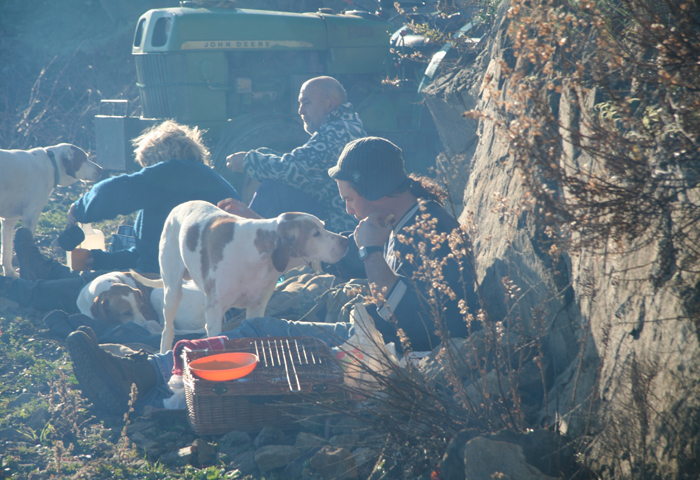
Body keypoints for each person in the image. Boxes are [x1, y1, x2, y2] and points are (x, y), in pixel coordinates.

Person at [66, 136, 479, 414]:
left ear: (374, 186)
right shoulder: (405, 218)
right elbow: (349, 266)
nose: (350, 210)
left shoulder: (427, 228)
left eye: (351, 199)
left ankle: (140, 379)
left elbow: (415, 318)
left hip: (391, 343)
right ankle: (146, 367)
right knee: (261, 330)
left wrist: (370, 246)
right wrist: (262, 224)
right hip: (375, 330)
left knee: (262, 332)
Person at [0, 120, 240, 313]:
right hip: (193, 274)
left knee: (93, 288)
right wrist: (101, 260)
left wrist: (81, 207)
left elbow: (118, 191)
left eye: (147, 166)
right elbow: (149, 252)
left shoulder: (175, 172)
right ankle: (45, 270)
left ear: (159, 158)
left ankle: (15, 290)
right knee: (90, 276)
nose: (146, 171)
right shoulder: (204, 181)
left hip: (182, 282)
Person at [224, 76, 365, 233]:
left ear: (330, 104)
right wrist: (258, 155)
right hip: (338, 217)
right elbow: (297, 163)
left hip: (340, 228)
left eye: (307, 103)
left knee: (272, 190)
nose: (300, 111)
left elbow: (292, 169)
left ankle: (249, 244)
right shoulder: (346, 126)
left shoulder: (337, 131)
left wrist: (248, 161)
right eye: (300, 104)